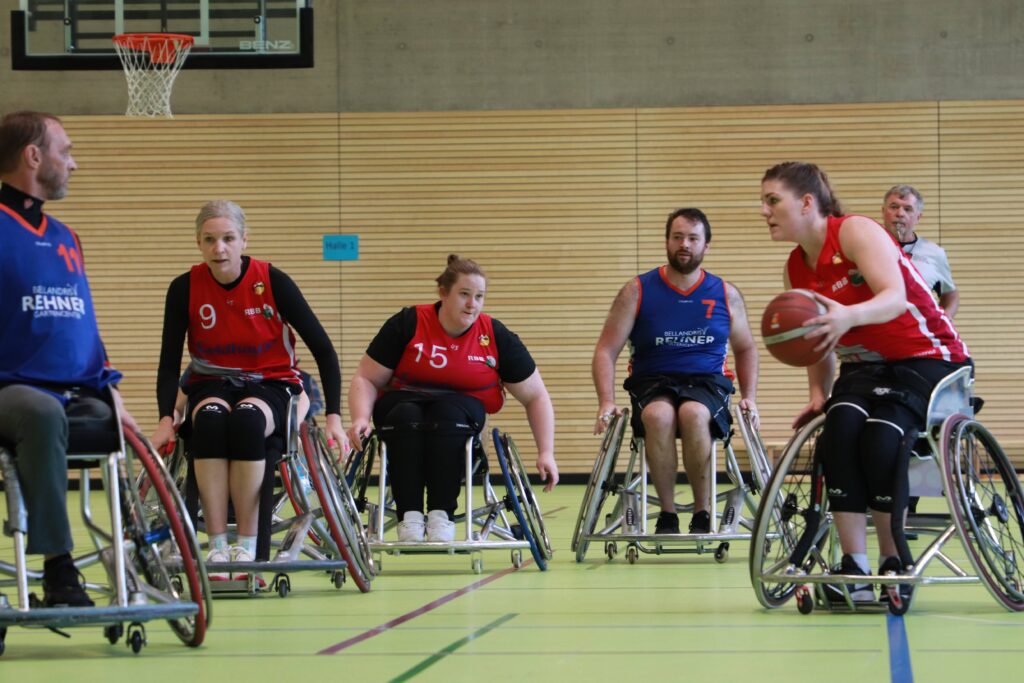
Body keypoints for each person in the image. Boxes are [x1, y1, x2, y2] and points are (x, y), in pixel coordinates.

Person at [760, 161, 970, 602]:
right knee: (839, 431)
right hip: (865, 367)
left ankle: (894, 560)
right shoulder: (795, 269)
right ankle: (853, 566)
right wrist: (817, 394)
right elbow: (817, 341)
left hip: (927, 355)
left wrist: (847, 315)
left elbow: (894, 297)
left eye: (772, 200)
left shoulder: (855, 231)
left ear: (806, 202)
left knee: (881, 436)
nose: (764, 211)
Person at [151, 199, 349, 579]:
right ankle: (217, 546)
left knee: (246, 421)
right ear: (198, 243)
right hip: (211, 382)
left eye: (228, 238)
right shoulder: (183, 288)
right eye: (210, 239)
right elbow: (168, 363)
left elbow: (324, 350)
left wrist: (335, 418)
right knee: (208, 422)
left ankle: (245, 542)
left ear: (244, 240)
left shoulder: (273, 281)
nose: (219, 248)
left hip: (270, 382)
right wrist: (164, 419)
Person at [0, 110, 138, 606]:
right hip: (12, 389)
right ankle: (59, 566)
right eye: (66, 151)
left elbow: (83, 324)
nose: (73, 164)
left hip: (74, 389)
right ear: (33, 156)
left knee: (112, 421)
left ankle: (137, 553)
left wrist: (111, 388)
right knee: (40, 413)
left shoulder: (65, 236)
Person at [347, 255, 558, 543]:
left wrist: (546, 451)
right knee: (406, 416)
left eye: (479, 296)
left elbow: (536, 396)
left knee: (447, 413)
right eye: (464, 294)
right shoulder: (408, 323)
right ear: (443, 293)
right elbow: (366, 377)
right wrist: (360, 418)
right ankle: (409, 515)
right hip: (402, 406)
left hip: (460, 412)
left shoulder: (494, 335)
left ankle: (441, 514)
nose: (472, 304)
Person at [592, 208, 760, 535]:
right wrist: (605, 400)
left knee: (694, 414)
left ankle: (702, 512)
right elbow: (605, 349)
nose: (684, 244)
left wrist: (750, 396)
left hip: (707, 381)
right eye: (678, 237)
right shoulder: (637, 291)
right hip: (652, 380)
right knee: (658, 416)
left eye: (693, 238)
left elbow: (746, 348)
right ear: (667, 241)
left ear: (706, 245)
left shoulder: (725, 294)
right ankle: (667, 513)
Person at [881, 184, 959, 317]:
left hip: (917, 328)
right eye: (894, 207)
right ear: (883, 211)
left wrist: (944, 321)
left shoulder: (935, 253)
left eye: (908, 209)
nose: (900, 213)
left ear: (918, 217)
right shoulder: (865, 246)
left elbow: (950, 294)